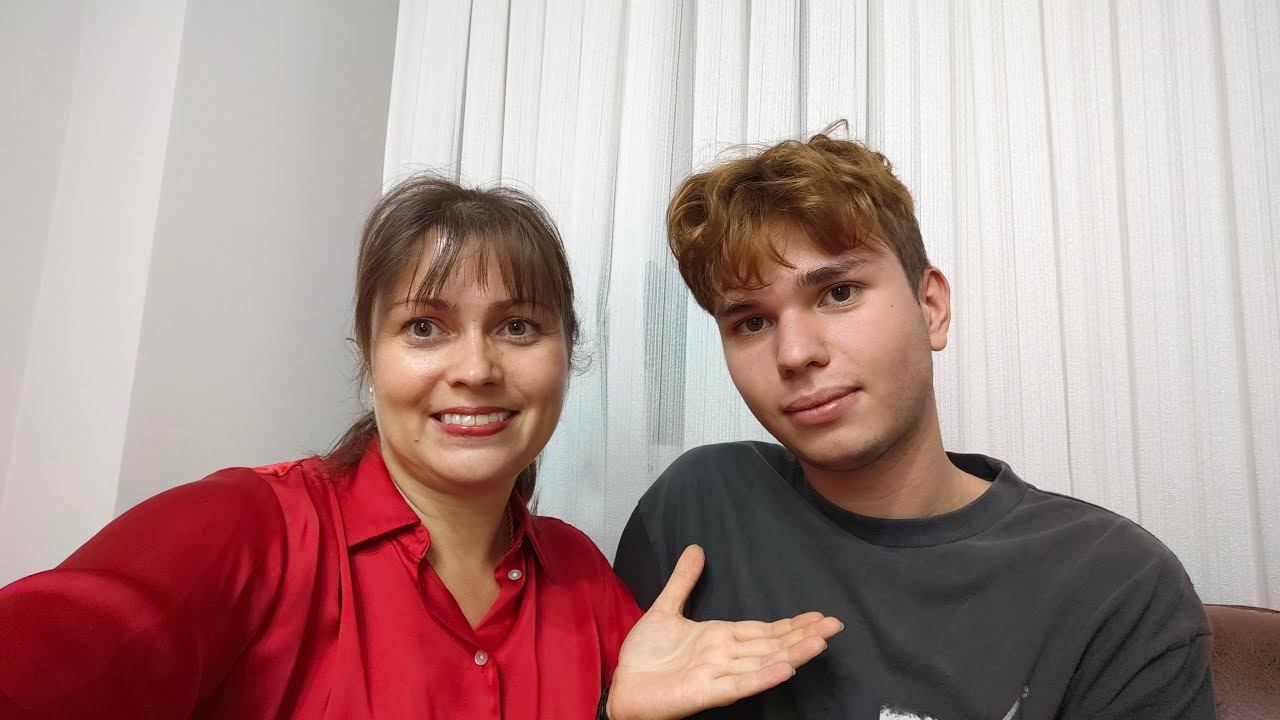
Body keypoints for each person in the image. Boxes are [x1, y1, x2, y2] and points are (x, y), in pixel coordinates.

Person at [0, 175, 842, 719]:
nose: (474, 369)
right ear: (369, 358)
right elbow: (69, 636)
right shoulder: (249, 528)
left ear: (566, 354)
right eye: (425, 328)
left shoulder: (584, 577)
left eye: (518, 326)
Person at [613, 127, 1214, 719]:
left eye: (839, 293)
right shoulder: (699, 509)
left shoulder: (1113, 583)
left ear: (931, 308)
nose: (794, 354)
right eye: (751, 322)